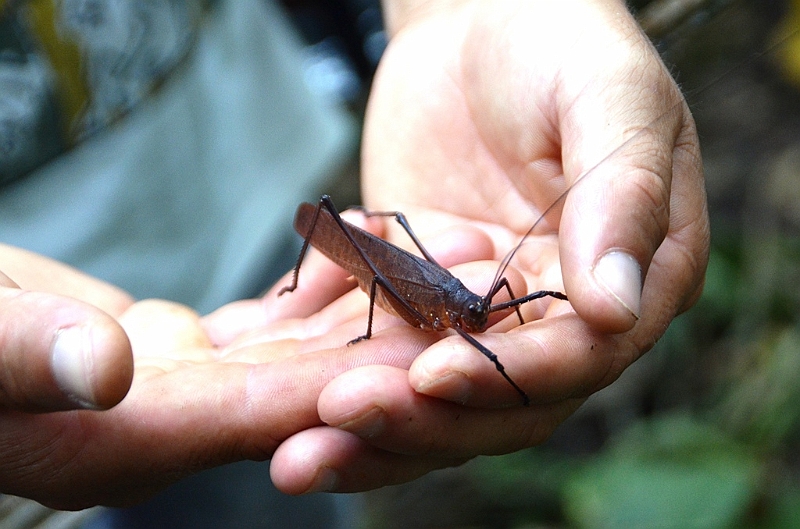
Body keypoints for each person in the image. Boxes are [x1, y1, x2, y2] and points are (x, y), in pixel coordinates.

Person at [0, 0, 708, 516]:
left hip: (247, 147)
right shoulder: (433, 308)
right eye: (483, 314)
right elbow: (410, 299)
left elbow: (507, 309)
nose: (486, 318)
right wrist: (385, 328)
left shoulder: (475, 304)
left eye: (485, 312)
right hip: (78, 281)